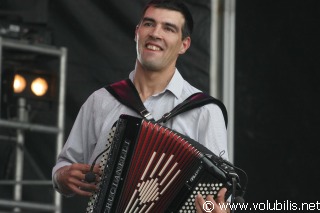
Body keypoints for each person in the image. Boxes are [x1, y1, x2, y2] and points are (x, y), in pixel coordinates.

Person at [52, 0, 229, 212]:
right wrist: (61, 177)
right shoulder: (101, 101)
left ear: (184, 44)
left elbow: (220, 194)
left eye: (169, 28)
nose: (155, 33)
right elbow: (64, 167)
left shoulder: (204, 111)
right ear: (137, 32)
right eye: (149, 24)